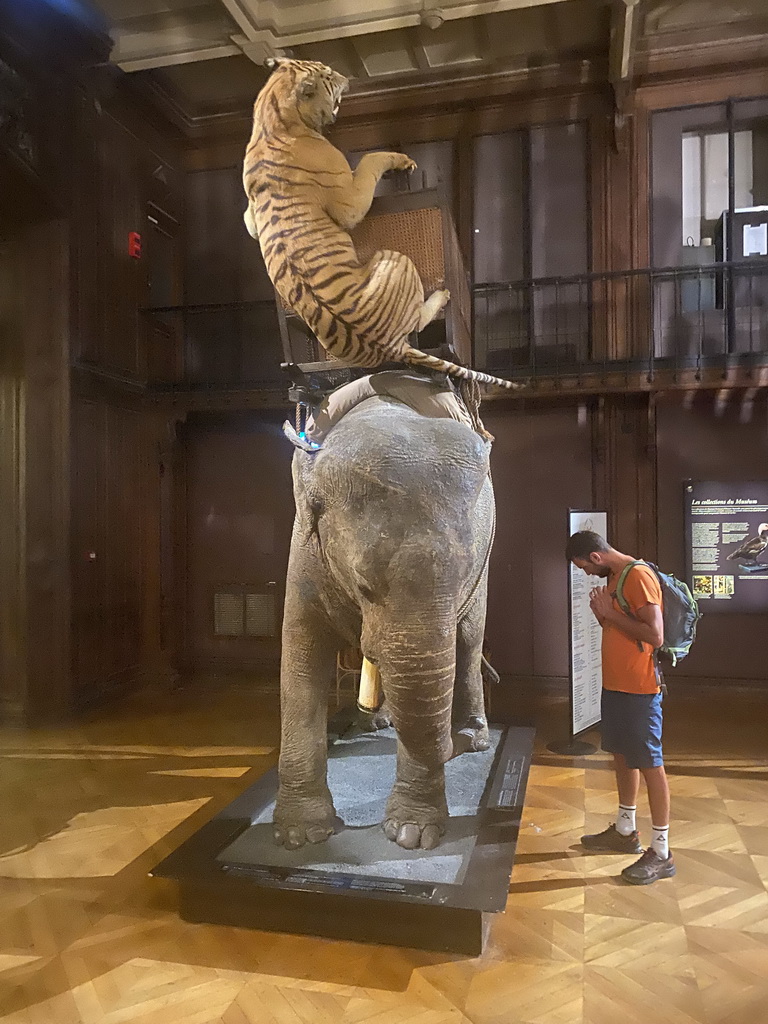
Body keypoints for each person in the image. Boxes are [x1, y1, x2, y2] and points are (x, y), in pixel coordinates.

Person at [565, 530, 675, 885]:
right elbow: (618, 629)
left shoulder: (638, 576)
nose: (584, 574)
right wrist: (604, 614)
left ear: (596, 557)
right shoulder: (613, 577)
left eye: (583, 567)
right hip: (615, 686)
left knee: (649, 762)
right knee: (622, 756)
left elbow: (655, 635)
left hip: (641, 690)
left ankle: (661, 852)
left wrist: (609, 613)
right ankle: (626, 831)